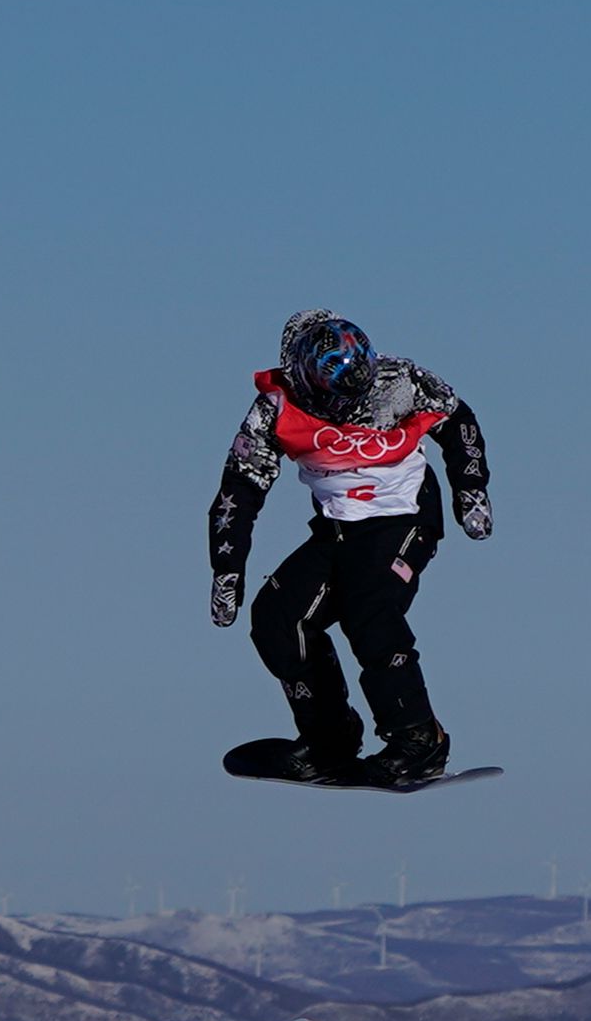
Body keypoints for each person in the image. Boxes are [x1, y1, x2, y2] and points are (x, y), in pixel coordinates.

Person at [207, 307, 490, 787]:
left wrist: (472, 491)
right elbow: (240, 488)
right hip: (339, 527)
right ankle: (329, 740)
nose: (349, 409)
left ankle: (418, 740)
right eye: (335, 395)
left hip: (405, 518)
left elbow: (458, 421)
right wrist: (227, 570)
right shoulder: (277, 406)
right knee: (278, 617)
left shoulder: (400, 381)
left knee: (369, 608)